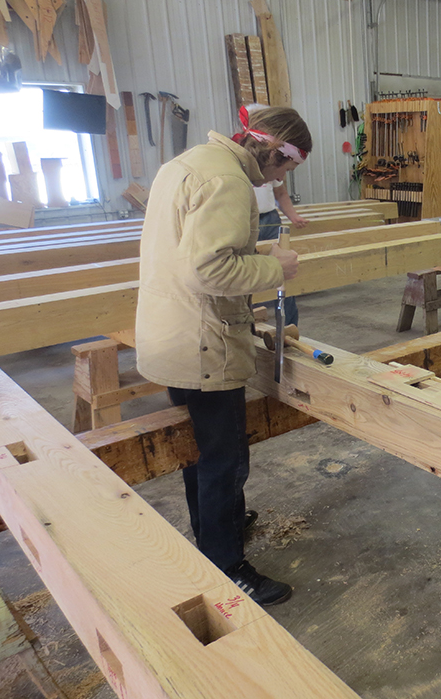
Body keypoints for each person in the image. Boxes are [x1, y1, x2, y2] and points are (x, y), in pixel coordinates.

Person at [135, 105, 311, 605]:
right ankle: (226, 564)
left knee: (201, 449)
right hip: (203, 343)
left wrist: (257, 254)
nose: (279, 179)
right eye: (286, 169)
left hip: (169, 331)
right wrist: (275, 270)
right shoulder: (231, 182)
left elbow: (190, 249)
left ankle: (220, 520)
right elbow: (207, 271)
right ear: (275, 152)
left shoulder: (187, 164)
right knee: (224, 458)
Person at [255, 178, 306, 325]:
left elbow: (281, 193)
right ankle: (250, 326)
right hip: (243, 218)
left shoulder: (271, 162)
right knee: (247, 273)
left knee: (284, 272)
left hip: (270, 218)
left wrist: (294, 217)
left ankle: (289, 326)